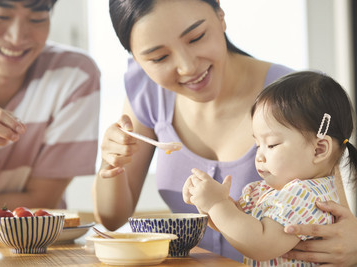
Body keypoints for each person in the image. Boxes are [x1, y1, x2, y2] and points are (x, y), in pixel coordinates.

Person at [93, 0, 357, 264]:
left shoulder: (290, 101)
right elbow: (112, 219)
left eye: (196, 37)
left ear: (220, 12)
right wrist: (110, 159)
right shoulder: (147, 91)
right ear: (136, 59)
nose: (187, 67)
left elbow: (337, 227)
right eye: (159, 57)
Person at [182, 71, 357, 266]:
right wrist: (208, 205)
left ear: (319, 150)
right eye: (258, 145)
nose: (259, 156)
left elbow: (258, 244)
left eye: (271, 145)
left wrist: (217, 205)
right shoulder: (276, 192)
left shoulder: (305, 195)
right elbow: (235, 228)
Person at [0, 0, 100, 214]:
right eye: (1, 16)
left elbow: (42, 199)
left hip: (34, 244)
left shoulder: (74, 75)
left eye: (37, 19)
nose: (17, 38)